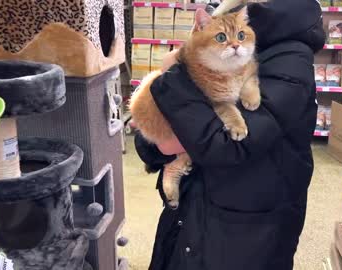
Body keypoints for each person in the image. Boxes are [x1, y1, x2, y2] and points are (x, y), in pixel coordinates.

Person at [134, 0, 325, 269]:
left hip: (245, 229)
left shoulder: (289, 59)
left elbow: (230, 145)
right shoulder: (219, 21)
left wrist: (172, 73)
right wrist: (154, 143)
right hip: (197, 211)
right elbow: (166, 128)